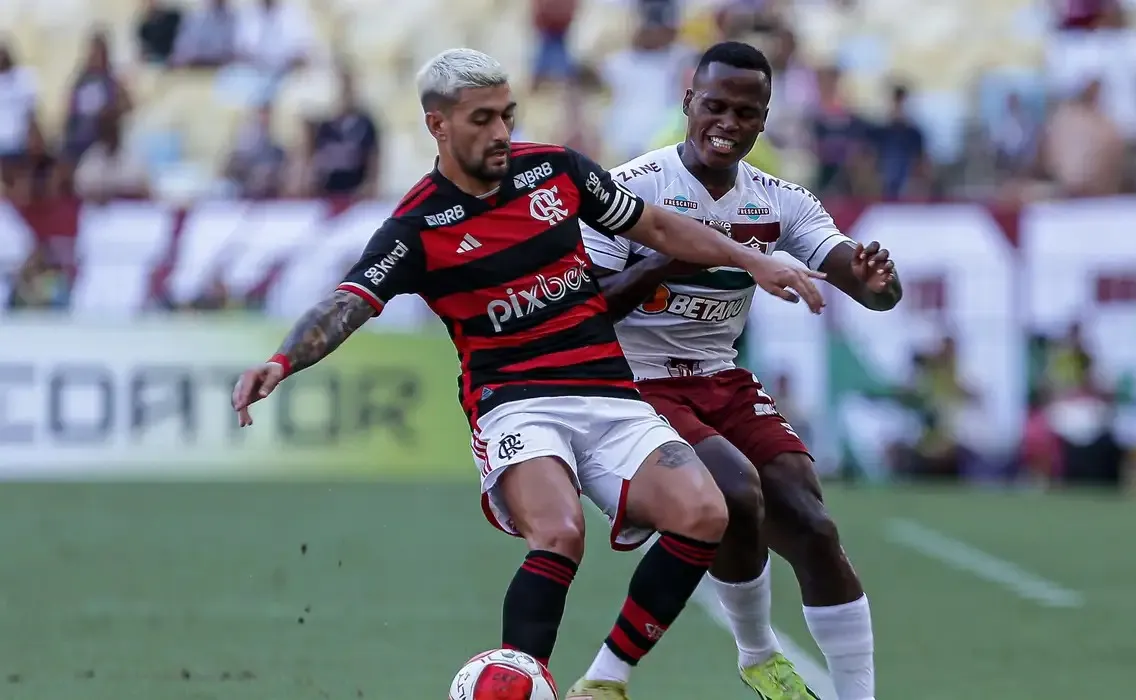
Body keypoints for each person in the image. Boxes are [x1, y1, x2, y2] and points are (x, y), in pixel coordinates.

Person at [230, 48, 827, 700]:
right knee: (561, 532)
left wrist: (755, 260)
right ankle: (520, 678)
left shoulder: (558, 171)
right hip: (517, 404)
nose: (500, 133)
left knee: (705, 512)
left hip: (608, 392)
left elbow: (657, 224)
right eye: (481, 119)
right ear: (439, 126)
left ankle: (604, 682)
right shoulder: (417, 225)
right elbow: (347, 303)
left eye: (506, 116)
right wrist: (282, 360)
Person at [581, 42, 901, 700]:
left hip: (719, 377)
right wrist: (672, 255)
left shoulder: (778, 200)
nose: (727, 123)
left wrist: (876, 286)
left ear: (764, 119)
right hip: (635, 380)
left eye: (746, 112)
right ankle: (759, 653)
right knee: (735, 489)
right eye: (715, 106)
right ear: (687, 102)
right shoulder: (630, 190)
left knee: (813, 524)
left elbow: (857, 278)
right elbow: (584, 313)